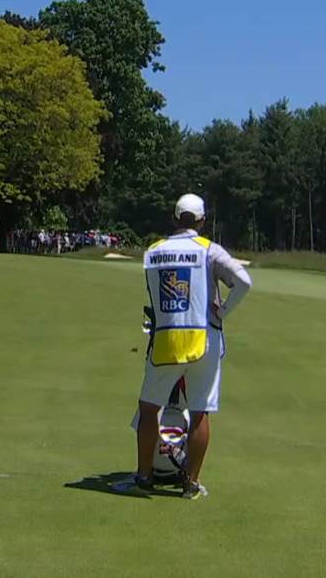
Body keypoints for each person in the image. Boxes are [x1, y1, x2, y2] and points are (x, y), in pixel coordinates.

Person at [115, 193, 252, 499]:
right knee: (200, 412)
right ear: (202, 221)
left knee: (149, 409)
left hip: (166, 340)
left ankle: (144, 476)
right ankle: (190, 482)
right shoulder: (209, 250)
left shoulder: (154, 251)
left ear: (174, 218)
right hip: (205, 339)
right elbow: (243, 281)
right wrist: (222, 311)